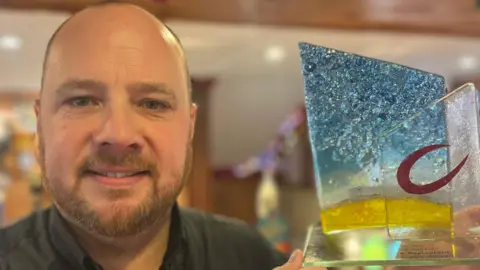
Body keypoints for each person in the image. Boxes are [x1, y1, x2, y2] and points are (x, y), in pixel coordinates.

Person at [0, 1, 327, 270]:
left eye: (152, 103)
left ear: (190, 127)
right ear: (40, 127)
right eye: (82, 100)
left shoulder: (248, 256)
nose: (118, 134)